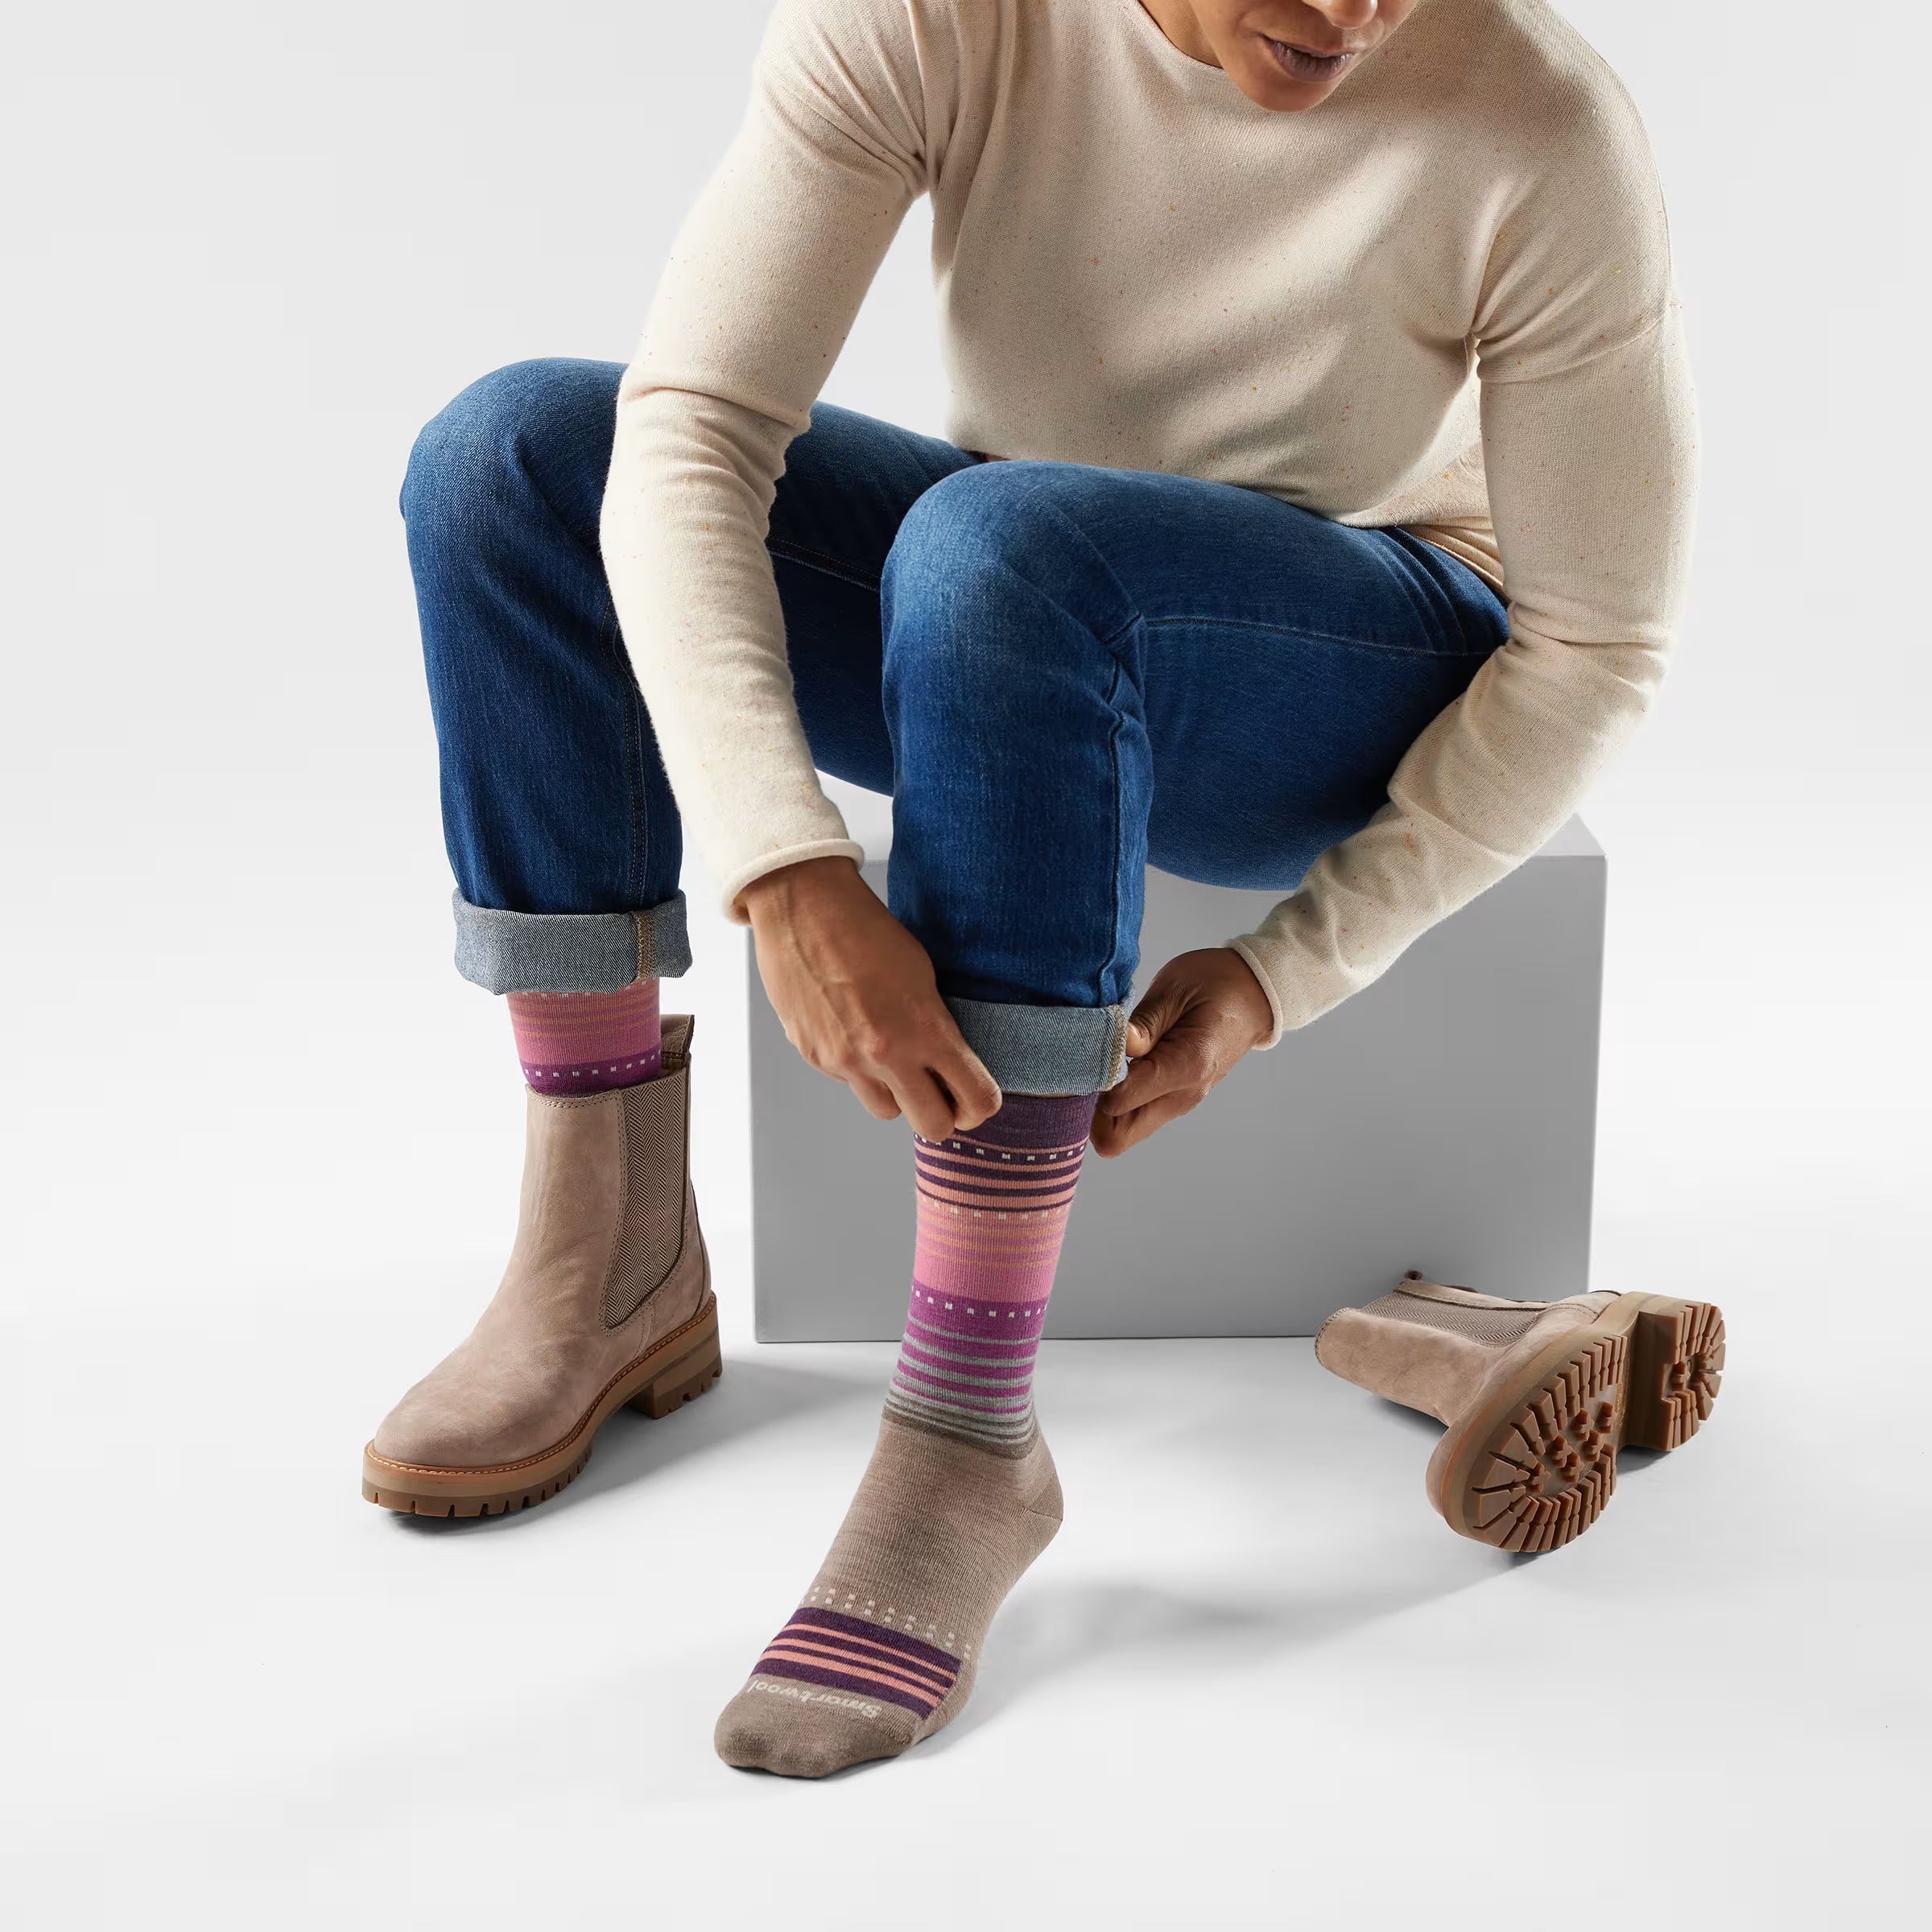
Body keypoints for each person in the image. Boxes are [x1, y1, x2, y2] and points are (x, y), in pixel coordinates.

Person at [364, 0, 1714, 1777]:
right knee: (516, 462)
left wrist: (1294, 965)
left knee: (1004, 546)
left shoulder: (1542, 122)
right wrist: (784, 867)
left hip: (1369, 648)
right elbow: (690, 433)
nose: (1356, 12)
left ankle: (968, 1432)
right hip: (1020, 586)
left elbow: (1598, 647)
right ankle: (606, 1255)